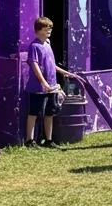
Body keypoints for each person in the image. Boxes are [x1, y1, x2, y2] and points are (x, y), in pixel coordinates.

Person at [24, 17, 76, 148]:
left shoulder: (48, 44)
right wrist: (44, 83)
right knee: (34, 113)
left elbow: (52, 64)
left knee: (50, 113)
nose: (49, 30)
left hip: (52, 86)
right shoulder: (34, 46)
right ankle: (29, 140)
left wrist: (63, 72)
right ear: (37, 30)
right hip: (37, 87)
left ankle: (48, 140)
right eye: (45, 27)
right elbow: (35, 66)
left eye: (50, 27)